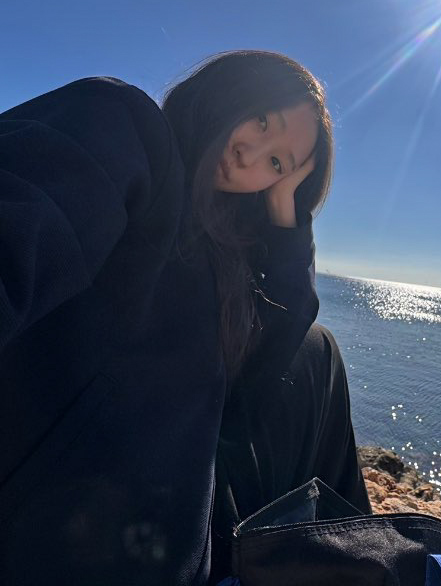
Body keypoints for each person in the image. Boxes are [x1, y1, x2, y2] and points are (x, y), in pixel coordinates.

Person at [0, 50, 371, 585]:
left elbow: (264, 371)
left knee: (318, 351)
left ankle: (360, 545)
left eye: (276, 164)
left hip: (173, 519)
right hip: (65, 529)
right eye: (260, 119)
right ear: (229, 86)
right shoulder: (125, 128)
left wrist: (287, 215)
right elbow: (22, 218)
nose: (249, 154)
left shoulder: (220, 248)